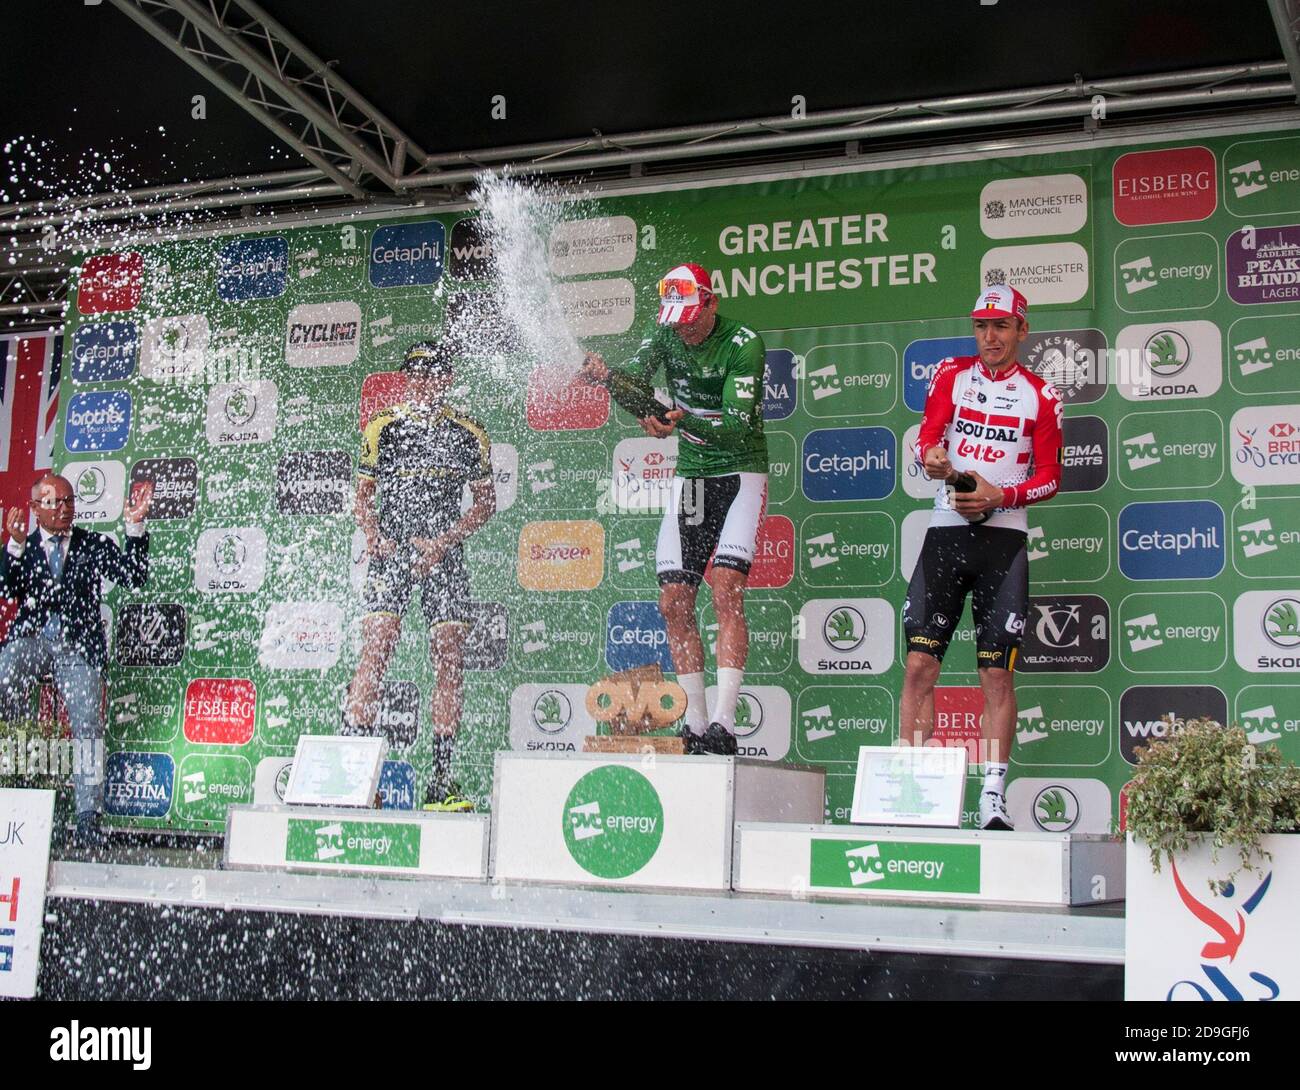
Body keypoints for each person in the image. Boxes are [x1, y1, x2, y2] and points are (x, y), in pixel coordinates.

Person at [582, 263, 768, 756]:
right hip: (692, 479)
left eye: (691, 317)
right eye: (676, 319)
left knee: (726, 587)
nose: (683, 328)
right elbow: (639, 387)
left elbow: (734, 426)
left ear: (711, 303)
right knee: (673, 600)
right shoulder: (666, 330)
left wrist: (680, 423)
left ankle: (725, 724)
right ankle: (696, 722)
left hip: (740, 472)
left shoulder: (744, 343)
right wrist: (609, 381)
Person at [900, 284, 1063, 829]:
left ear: (1022, 329)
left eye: (1000, 326)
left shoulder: (1042, 394)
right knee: (920, 665)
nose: (989, 337)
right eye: (981, 326)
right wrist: (934, 457)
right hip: (946, 531)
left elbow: (1051, 478)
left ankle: (992, 799)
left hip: (1003, 540)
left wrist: (1002, 495)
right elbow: (927, 438)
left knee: (996, 677)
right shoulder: (951, 375)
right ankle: (915, 790)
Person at [343, 341, 495, 812]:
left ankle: (441, 782)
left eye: (431, 374)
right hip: (392, 550)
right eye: (414, 374)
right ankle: (355, 782)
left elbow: (486, 503)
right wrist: (372, 535)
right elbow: (363, 496)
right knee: (378, 645)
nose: (422, 382)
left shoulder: (469, 432)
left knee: (448, 656)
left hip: (443, 554)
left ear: (446, 379)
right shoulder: (383, 426)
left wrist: (444, 541)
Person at [0, 473, 153, 847]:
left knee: (87, 723)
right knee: (4, 682)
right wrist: (14, 548)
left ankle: (87, 818)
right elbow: (7, 590)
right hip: (32, 639)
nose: (66, 509)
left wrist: (135, 526)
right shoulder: (27, 545)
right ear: (36, 509)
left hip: (77, 646)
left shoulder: (94, 543)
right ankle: (18, 787)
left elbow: (133, 578)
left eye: (70, 501)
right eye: (56, 503)